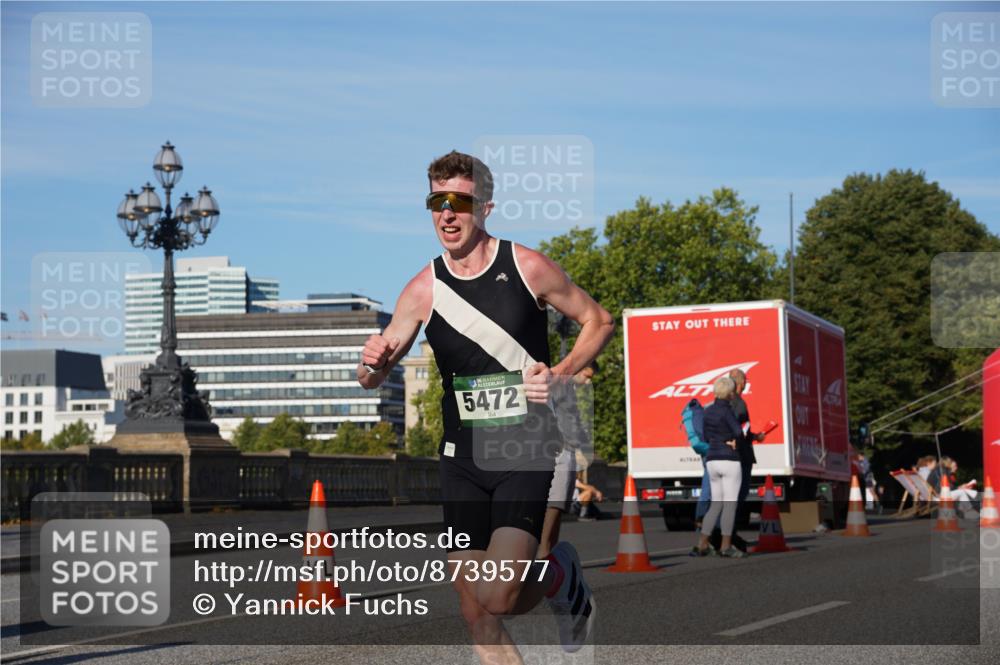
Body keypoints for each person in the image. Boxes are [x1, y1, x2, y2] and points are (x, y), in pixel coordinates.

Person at [357, 150, 614, 662]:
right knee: (475, 606)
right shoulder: (423, 288)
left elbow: (599, 321)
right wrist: (370, 361)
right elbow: (373, 376)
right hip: (461, 457)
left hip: (524, 446)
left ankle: (561, 573)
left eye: (459, 201)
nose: (447, 213)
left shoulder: (526, 266)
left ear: (486, 207)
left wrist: (559, 374)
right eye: (437, 201)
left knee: (499, 594)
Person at [538, 363, 597, 559]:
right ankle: (544, 552)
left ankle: (547, 552)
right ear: (579, 370)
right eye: (587, 376)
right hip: (558, 446)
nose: (588, 381)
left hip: (563, 446)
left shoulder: (569, 389)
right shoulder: (561, 384)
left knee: (559, 502)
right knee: (555, 501)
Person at [691, 376, 746, 559]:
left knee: (715, 504)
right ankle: (725, 546)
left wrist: (719, 438)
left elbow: (705, 436)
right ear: (730, 393)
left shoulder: (707, 411)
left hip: (712, 460)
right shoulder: (727, 410)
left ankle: (702, 544)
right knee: (730, 505)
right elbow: (738, 432)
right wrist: (731, 439)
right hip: (729, 460)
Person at [727, 368, 766, 547]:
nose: (745, 383)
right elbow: (740, 431)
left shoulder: (725, 402)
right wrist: (753, 437)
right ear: (741, 383)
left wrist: (754, 436)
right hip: (741, 456)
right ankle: (730, 535)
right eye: (745, 380)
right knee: (737, 496)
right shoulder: (740, 404)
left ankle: (726, 535)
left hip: (729, 455)